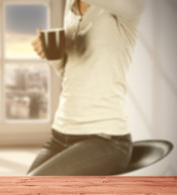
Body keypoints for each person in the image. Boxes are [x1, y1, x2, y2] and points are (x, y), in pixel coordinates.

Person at [27, 0, 145, 176]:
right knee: (22, 190)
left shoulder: (128, 5)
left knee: (35, 188)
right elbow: (70, 74)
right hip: (61, 134)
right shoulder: (71, 5)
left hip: (105, 140)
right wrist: (51, 52)